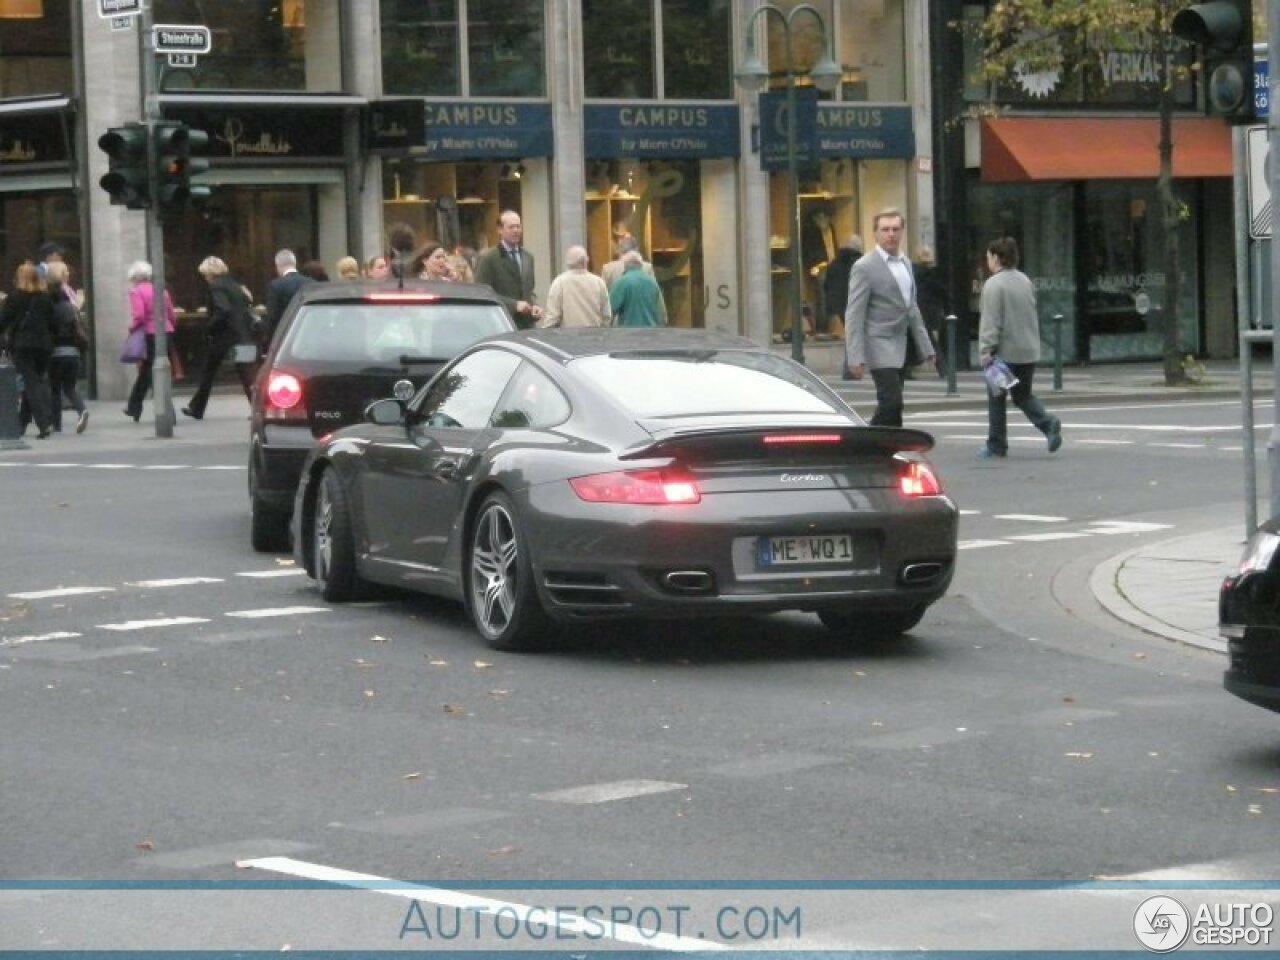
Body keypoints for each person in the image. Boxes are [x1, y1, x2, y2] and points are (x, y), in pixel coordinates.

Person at [843, 208, 934, 426]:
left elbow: (912, 309)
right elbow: (854, 313)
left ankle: (891, 449)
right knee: (891, 400)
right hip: (878, 342)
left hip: (901, 343)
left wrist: (927, 348)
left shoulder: (906, 263)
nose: (890, 234)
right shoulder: (864, 267)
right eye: (885, 229)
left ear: (902, 231)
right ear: (875, 233)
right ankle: (866, 445)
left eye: (895, 229)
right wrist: (854, 356)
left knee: (895, 405)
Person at [976, 236, 1062, 459]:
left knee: (996, 398)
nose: (988, 261)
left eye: (988, 257)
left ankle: (996, 444)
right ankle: (1047, 424)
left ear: (996, 257)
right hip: (1028, 349)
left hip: (1004, 353)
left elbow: (991, 320)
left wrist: (986, 349)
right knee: (1023, 395)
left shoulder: (993, 284)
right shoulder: (1025, 280)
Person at [182, 256, 256, 420]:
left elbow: (223, 310)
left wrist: (208, 327)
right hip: (241, 335)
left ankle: (197, 408)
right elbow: (246, 304)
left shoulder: (216, 287)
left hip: (224, 338)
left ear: (210, 273)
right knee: (247, 375)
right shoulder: (234, 285)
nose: (205, 279)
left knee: (208, 372)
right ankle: (258, 408)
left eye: (205, 275)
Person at [0, 262, 56, 439]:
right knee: (35, 382)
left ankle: (44, 423)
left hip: (23, 345)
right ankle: (22, 423)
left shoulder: (15, 297)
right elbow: (53, 323)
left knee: (31, 384)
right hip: (44, 346)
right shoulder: (45, 298)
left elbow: (3, 321)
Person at [123, 260, 177, 423]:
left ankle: (154, 410)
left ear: (135, 277)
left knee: (149, 372)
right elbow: (171, 313)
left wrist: (132, 329)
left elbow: (139, 315)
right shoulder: (162, 290)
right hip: (166, 332)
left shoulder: (136, 292)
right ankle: (135, 406)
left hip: (149, 334)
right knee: (156, 370)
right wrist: (170, 326)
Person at [472, 209, 542, 328]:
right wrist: (514, 305)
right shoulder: (488, 258)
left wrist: (534, 306)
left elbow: (529, 290)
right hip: (501, 324)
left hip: (527, 326)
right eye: (511, 227)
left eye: (518, 227)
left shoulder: (528, 257)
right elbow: (481, 293)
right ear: (500, 230)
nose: (516, 230)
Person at [44, 261, 88, 433]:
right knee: (70, 387)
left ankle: (57, 424)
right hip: (73, 353)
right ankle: (82, 410)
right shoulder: (71, 307)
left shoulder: (49, 308)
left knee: (55, 389)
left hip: (56, 353)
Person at [539, 245, 611, 328]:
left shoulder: (559, 282)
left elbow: (552, 317)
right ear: (586, 261)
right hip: (594, 335)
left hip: (568, 337)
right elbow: (606, 315)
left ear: (567, 263)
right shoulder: (598, 282)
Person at [263, 249, 313, 345]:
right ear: (294, 264)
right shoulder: (311, 283)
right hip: (306, 337)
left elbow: (272, 317)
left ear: (278, 266)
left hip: (285, 339)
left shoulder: (275, 286)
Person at [609, 250, 666, 327]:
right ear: (641, 265)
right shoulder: (652, 283)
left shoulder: (621, 282)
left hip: (628, 333)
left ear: (625, 265)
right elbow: (660, 310)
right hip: (651, 332)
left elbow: (610, 310)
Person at [914, 245, 946, 378]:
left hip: (916, 309)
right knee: (930, 340)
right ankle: (942, 367)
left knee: (923, 340)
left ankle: (941, 367)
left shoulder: (912, 272)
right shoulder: (934, 274)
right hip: (931, 311)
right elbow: (941, 292)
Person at [826, 234, 863, 347]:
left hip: (838, 302)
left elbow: (827, 284)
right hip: (856, 301)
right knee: (856, 336)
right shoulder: (861, 263)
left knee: (850, 335)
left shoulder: (835, 263)